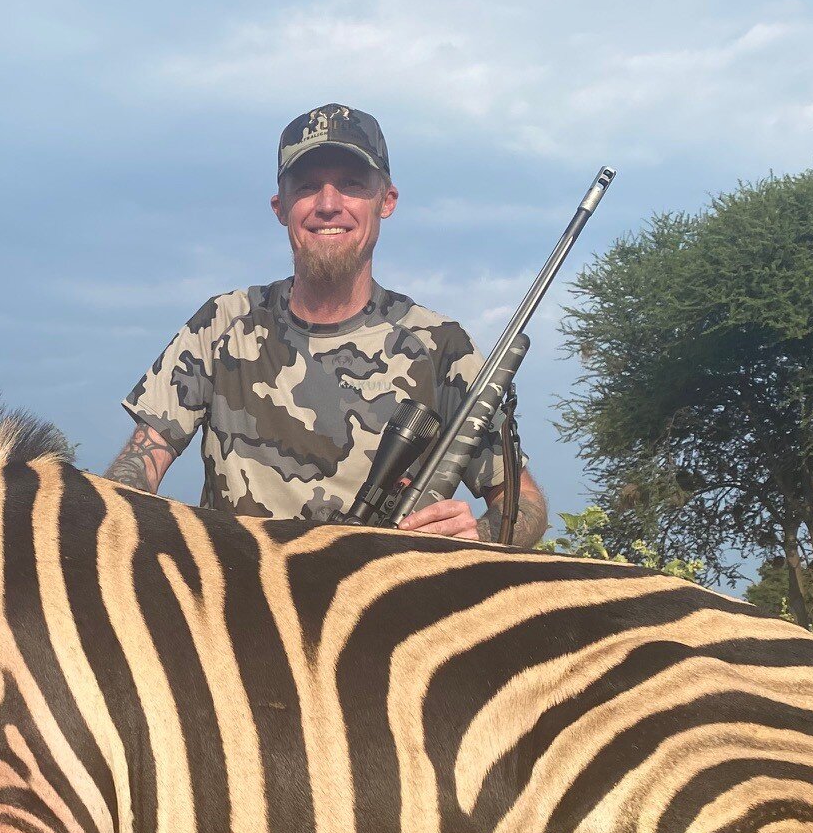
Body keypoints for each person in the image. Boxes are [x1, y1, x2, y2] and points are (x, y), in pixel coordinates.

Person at [104, 103, 547, 544]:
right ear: (281, 207)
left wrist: (477, 536)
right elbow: (143, 460)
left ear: (386, 201)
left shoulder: (442, 346)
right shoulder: (222, 322)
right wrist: (109, 521)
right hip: (239, 599)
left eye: (352, 185)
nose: (329, 205)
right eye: (308, 186)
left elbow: (523, 502)